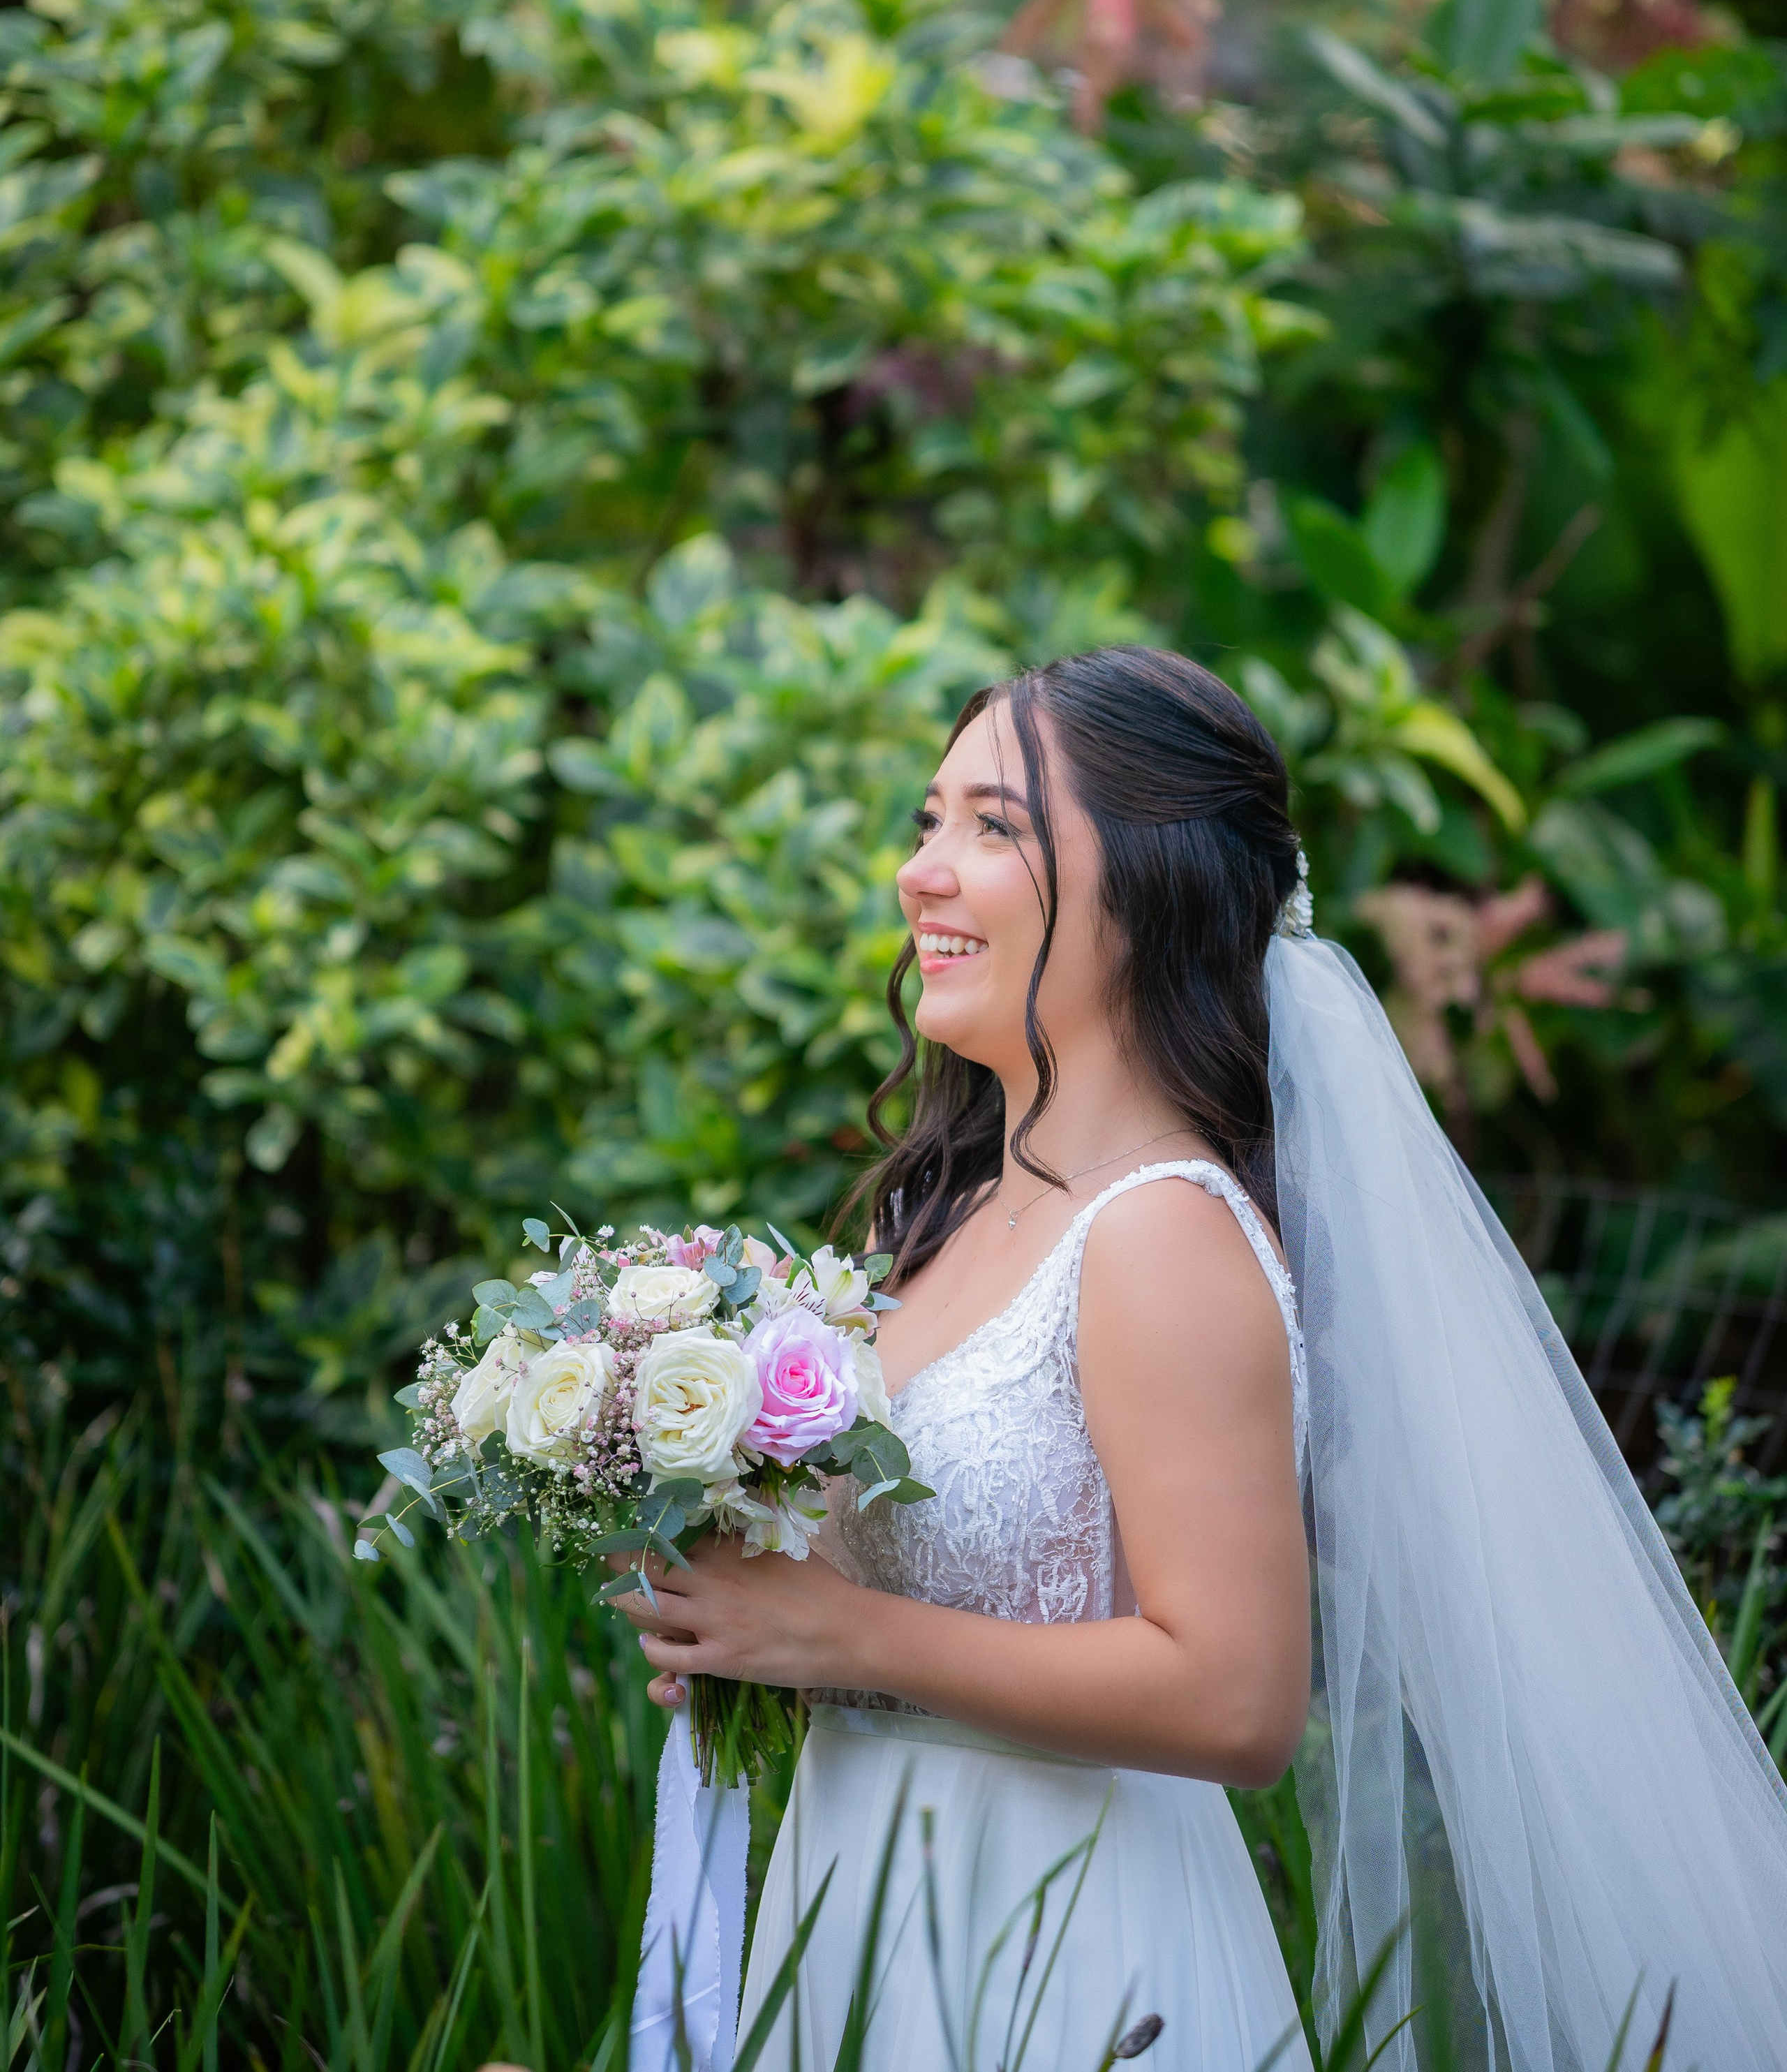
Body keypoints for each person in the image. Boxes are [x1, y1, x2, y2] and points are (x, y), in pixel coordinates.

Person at [620, 648, 1787, 2072]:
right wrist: (744, 1624)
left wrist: (836, 1636)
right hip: (857, 1893)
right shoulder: (954, 1215)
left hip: (1060, 1951)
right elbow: (936, 1604)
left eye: (994, 826)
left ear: (1153, 887)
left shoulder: (1160, 1235)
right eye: (928, 820)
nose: (922, 870)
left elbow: (1234, 1697)